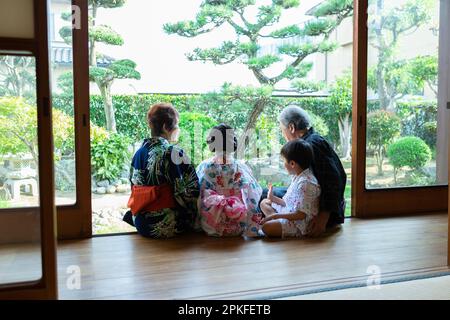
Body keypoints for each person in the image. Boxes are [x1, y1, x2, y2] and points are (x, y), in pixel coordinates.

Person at [261, 105, 347, 237]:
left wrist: (323, 217)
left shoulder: (312, 144)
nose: (283, 135)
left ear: (291, 127)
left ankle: (280, 223)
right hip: (309, 197)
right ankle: (278, 221)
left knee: (263, 195)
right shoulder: (307, 141)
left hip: (323, 212)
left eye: (282, 130)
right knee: (267, 195)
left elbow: (334, 179)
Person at [123, 103, 200, 238]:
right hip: (166, 224)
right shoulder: (174, 153)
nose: (178, 129)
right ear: (165, 127)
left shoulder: (139, 153)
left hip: (140, 222)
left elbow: (134, 186)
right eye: (177, 125)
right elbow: (189, 194)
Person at [196, 124, 263, 237]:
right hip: (238, 222)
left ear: (212, 142)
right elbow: (253, 195)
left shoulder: (206, 166)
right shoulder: (240, 167)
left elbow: (196, 193)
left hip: (212, 224)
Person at [260, 139, 321, 238]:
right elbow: (287, 203)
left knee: (266, 227)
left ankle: (276, 223)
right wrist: (272, 198)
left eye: (283, 161)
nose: (283, 164)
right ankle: (276, 222)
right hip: (289, 211)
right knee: (264, 202)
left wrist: (275, 216)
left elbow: (301, 215)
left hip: (298, 223)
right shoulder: (298, 177)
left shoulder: (306, 184)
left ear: (292, 164)